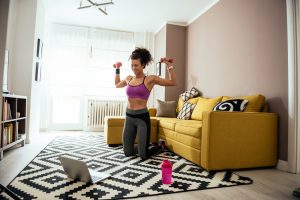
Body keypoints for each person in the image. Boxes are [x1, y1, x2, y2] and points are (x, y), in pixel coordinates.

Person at [114, 47, 176, 160]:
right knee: (128, 153)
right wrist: (117, 69)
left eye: (136, 65)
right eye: (132, 65)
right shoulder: (129, 78)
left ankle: (160, 146)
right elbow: (117, 84)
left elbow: (172, 82)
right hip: (129, 117)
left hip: (142, 118)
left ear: (143, 65)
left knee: (144, 155)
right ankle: (144, 146)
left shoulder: (150, 79)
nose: (133, 68)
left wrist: (168, 65)